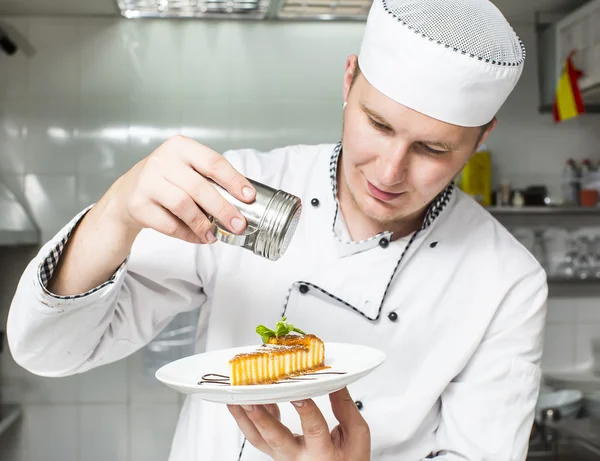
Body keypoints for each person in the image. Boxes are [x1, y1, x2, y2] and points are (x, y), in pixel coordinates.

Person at [6, 0, 548, 460]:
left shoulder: (505, 280)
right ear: (348, 80)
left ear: (481, 138)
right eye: (378, 124)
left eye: (432, 148)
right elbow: (51, 351)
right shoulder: (244, 190)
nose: (389, 172)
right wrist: (116, 214)